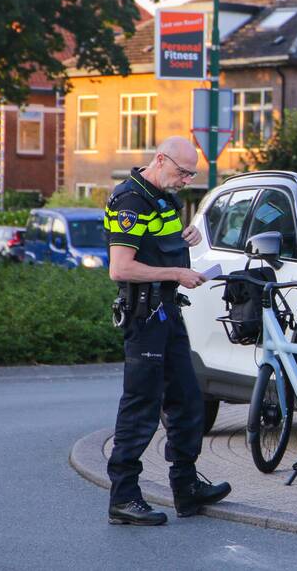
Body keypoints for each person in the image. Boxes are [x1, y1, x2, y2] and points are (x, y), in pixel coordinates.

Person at [105, 137, 231, 525]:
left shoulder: (164, 198)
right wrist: (177, 272)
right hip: (144, 314)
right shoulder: (131, 200)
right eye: (182, 172)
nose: (186, 180)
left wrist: (185, 238)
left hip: (166, 311)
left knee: (188, 399)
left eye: (191, 174)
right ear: (160, 160)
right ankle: (123, 497)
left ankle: (186, 487)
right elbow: (121, 268)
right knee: (141, 405)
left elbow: (158, 245)